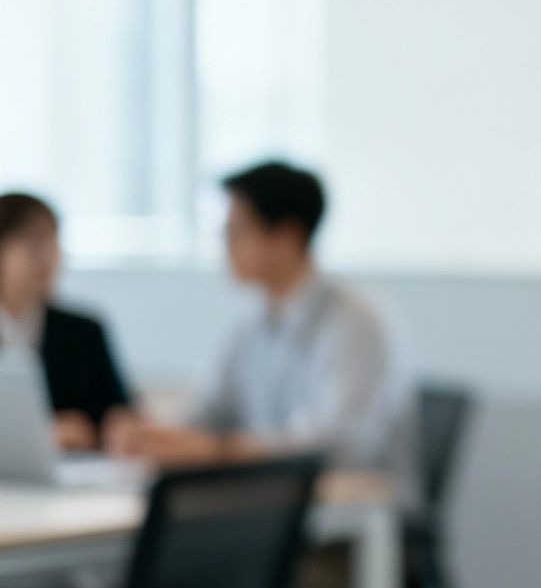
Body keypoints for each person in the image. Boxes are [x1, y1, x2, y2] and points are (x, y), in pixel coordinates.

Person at [131, 161, 403, 473]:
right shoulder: (251, 326)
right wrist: (155, 436)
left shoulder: (356, 322)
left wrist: (220, 450)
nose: (224, 244)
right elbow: (210, 414)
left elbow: (336, 446)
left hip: (352, 510)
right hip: (272, 499)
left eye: (237, 231)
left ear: (288, 236)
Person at [0, 193, 138, 452]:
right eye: (33, 242)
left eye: (53, 241)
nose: (48, 256)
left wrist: (114, 429)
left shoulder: (84, 332)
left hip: (77, 480)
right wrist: (42, 435)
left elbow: (120, 414)